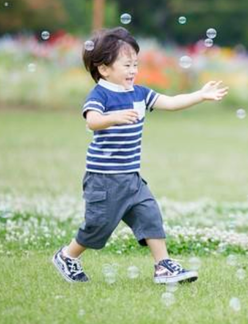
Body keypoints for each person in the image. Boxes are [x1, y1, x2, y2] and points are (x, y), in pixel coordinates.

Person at [52, 27, 228, 284]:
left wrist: (199, 96)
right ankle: (68, 256)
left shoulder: (139, 93)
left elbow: (170, 102)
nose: (134, 70)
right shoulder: (101, 95)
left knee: (150, 216)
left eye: (136, 64)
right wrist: (113, 118)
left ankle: (163, 266)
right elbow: (92, 121)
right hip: (104, 179)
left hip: (131, 178)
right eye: (127, 65)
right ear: (104, 69)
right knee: (97, 226)